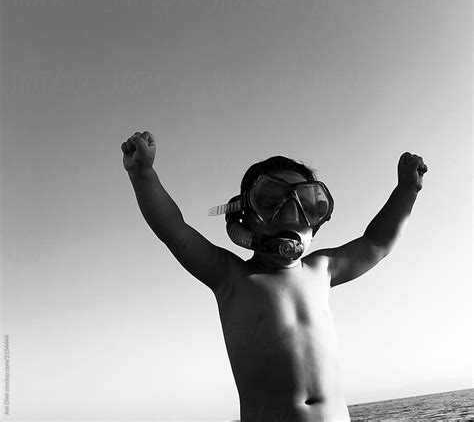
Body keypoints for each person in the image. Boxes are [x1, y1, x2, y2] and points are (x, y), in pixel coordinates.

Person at [122, 130, 428, 422]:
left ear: (318, 221)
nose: (290, 212)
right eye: (270, 201)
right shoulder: (231, 276)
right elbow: (174, 232)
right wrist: (143, 174)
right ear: (245, 218)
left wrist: (407, 190)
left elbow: (376, 243)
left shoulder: (321, 269)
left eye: (308, 204)